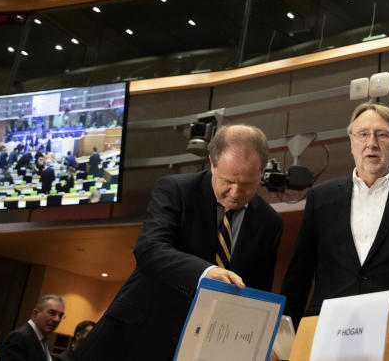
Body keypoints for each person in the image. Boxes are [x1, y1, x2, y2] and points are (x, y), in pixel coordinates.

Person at [75, 124, 283, 361]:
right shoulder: (177, 189)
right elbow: (150, 249)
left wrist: (261, 341)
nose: (235, 192)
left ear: (261, 173)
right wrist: (206, 273)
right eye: (228, 181)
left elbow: (259, 289)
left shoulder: (269, 222)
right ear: (212, 163)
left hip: (205, 343)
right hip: (140, 332)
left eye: (247, 185)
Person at [280, 102, 389, 324]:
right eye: (363, 134)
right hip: (328, 326)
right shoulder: (321, 198)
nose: (372, 144)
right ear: (351, 142)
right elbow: (299, 274)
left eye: (382, 135)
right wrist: (284, 337)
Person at [0, 294, 65, 361]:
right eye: (52, 313)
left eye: (60, 315)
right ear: (35, 314)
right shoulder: (17, 338)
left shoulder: (43, 339)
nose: (57, 319)